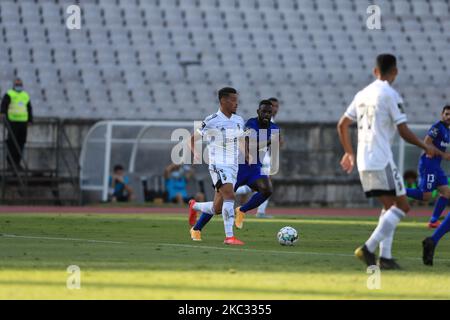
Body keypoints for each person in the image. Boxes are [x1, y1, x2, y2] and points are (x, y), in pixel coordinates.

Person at [337, 54, 441, 270]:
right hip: (381, 158)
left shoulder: (362, 94)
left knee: (389, 207)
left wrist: (349, 153)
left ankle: (385, 257)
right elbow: (403, 130)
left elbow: (342, 124)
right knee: (402, 206)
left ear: (376, 71)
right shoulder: (390, 94)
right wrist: (426, 146)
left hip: (364, 161)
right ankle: (368, 248)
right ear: (395, 72)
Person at [188, 100, 281, 237]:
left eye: (269, 112)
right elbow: (248, 146)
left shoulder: (274, 128)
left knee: (267, 190)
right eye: (264, 111)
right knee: (218, 206)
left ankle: (242, 210)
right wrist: (267, 142)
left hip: (255, 168)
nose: (267, 114)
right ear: (258, 112)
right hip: (236, 168)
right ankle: (197, 228)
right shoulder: (251, 123)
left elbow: (274, 145)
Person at [189, 87, 246, 245]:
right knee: (230, 196)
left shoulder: (239, 120)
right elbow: (192, 139)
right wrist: (195, 153)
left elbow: (240, 140)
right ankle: (229, 237)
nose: (236, 103)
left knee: (217, 208)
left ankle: (194, 206)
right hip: (218, 164)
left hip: (233, 166)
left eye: (237, 100)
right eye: (233, 100)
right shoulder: (212, 120)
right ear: (223, 101)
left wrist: (246, 154)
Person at [405, 106, 450, 228]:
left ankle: (434, 220)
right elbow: (426, 143)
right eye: (446, 114)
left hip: (436, 165)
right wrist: (443, 154)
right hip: (428, 164)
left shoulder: (448, 131)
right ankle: (399, 192)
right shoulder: (437, 127)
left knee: (446, 192)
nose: (448, 117)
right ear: (442, 115)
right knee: (426, 196)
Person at [0, 78, 33, 170]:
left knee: (21, 143)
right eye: (17, 84)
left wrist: (30, 119)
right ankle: (11, 163)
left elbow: (29, 108)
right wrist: (3, 114)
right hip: (13, 122)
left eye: (20, 84)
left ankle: (17, 163)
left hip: (23, 123)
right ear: (14, 85)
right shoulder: (9, 94)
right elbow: (4, 105)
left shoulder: (25, 95)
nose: (19, 86)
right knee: (12, 142)